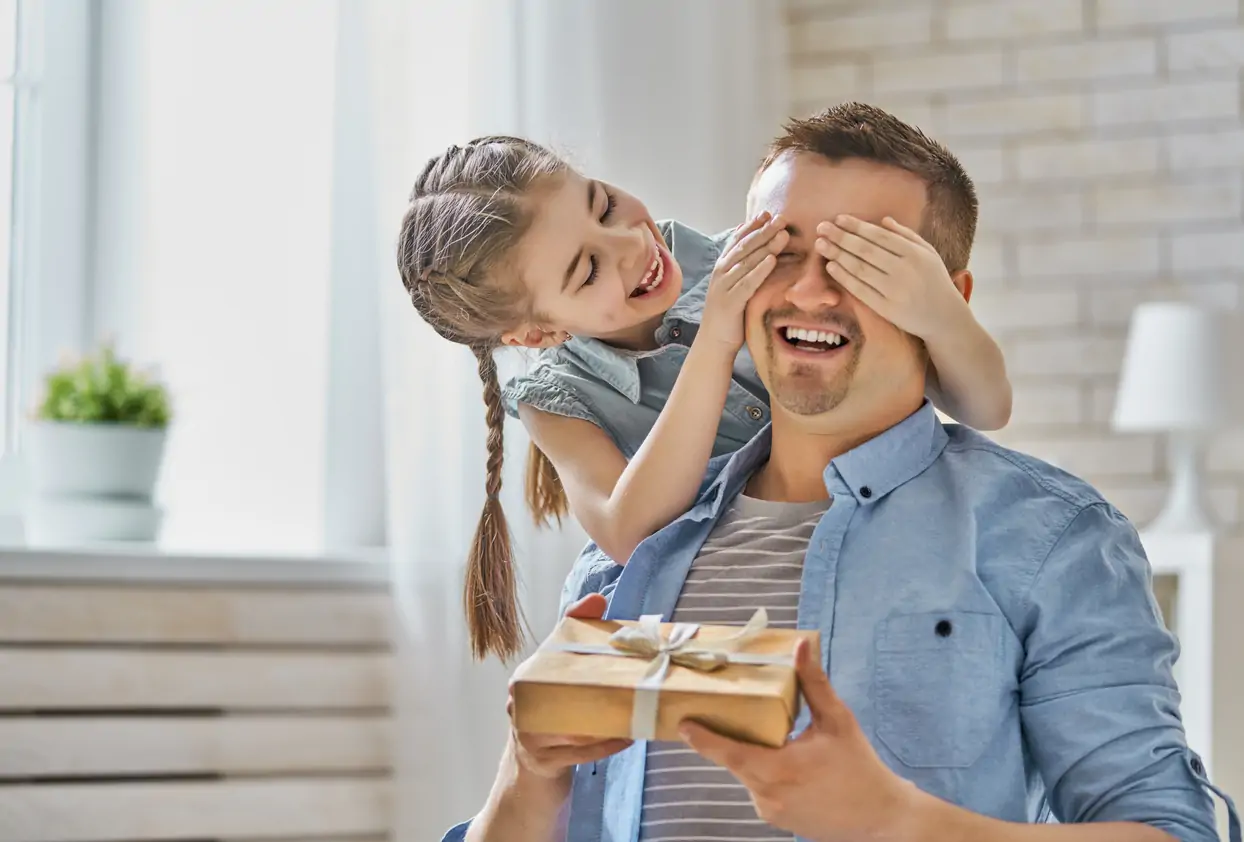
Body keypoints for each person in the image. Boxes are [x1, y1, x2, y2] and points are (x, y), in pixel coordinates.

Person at [440, 103, 1240, 842]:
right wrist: (528, 776)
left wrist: (896, 821)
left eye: (865, 260)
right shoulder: (626, 564)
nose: (812, 289)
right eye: (779, 251)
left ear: (946, 300)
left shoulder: (1046, 540)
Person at [397, 126, 1012, 661]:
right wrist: (716, 339)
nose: (631, 247)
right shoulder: (555, 397)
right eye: (586, 269)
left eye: (604, 206)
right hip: (712, 609)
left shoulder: (750, 259)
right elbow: (627, 530)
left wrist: (939, 312)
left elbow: (986, 409)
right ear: (539, 331)